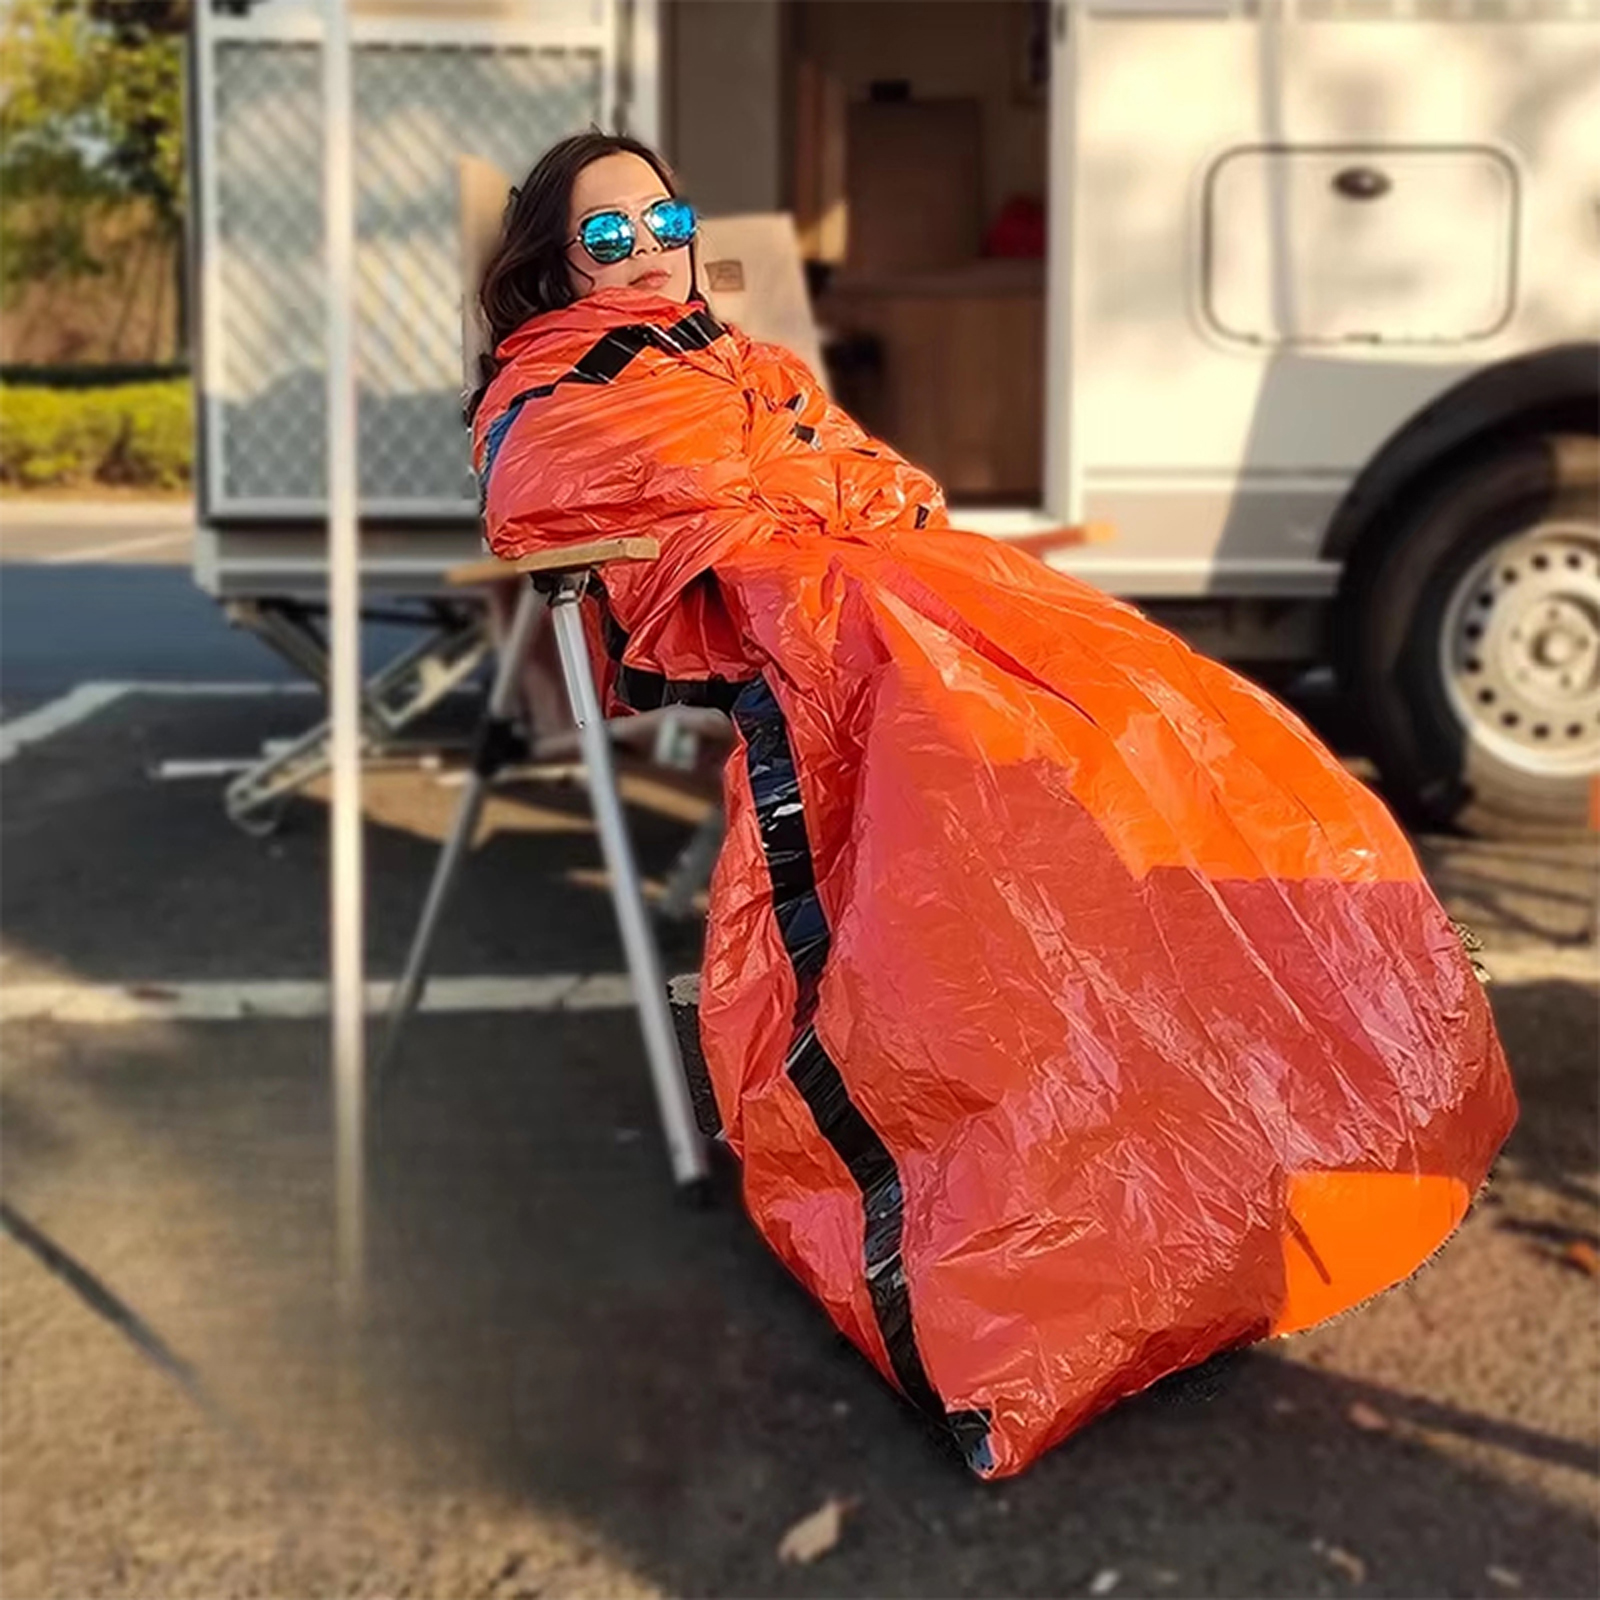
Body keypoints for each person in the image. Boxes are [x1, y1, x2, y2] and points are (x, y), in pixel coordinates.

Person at [469, 133, 1516, 1479]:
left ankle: (1257, 1112)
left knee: (1157, 719)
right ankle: (1039, 1225)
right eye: (610, 235)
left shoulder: (744, 363)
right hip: (806, 614)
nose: (649, 250)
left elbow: (856, 470)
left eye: (665, 222)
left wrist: (819, 481)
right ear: (559, 263)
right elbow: (558, 487)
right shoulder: (553, 379)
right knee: (983, 780)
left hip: (889, 577)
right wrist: (812, 490)